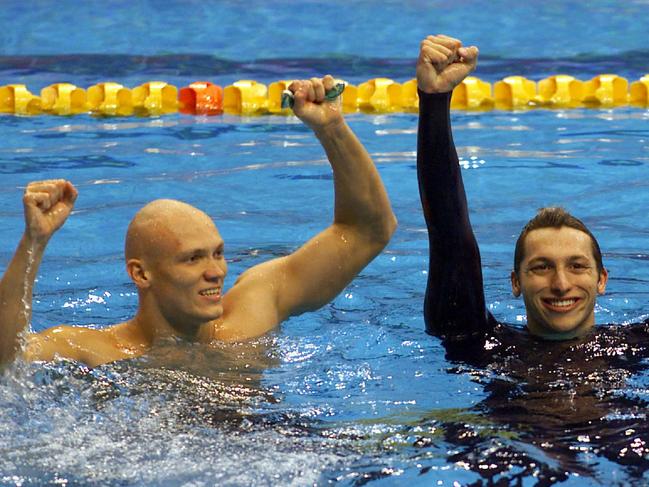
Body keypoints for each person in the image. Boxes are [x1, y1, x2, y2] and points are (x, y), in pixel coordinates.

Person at [0, 75, 397, 368]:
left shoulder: (254, 310)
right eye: (193, 259)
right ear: (141, 274)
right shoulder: (93, 351)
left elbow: (366, 231)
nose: (216, 272)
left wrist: (332, 129)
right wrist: (33, 244)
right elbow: (6, 359)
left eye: (219, 254)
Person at [416, 35, 649, 482]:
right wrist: (434, 100)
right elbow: (449, 231)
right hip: (511, 451)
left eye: (577, 266)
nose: (561, 283)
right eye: (541, 267)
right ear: (516, 282)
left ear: (601, 279)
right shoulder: (478, 342)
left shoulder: (635, 345)